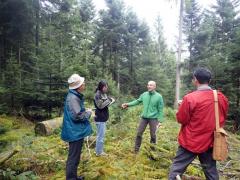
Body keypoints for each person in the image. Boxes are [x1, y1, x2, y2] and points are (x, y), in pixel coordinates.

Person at [168, 67, 229, 180]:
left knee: (176, 170)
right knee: (211, 173)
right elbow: (222, 117)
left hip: (190, 142)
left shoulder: (190, 98)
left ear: (195, 80)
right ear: (209, 81)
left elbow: (181, 119)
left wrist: (182, 106)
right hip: (211, 141)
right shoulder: (221, 97)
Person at [61, 74, 93, 180]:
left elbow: (76, 111)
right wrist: (88, 113)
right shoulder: (73, 98)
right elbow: (77, 116)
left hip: (75, 131)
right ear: (78, 86)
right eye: (82, 83)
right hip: (74, 132)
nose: (84, 84)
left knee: (75, 156)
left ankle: (73, 177)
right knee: (73, 158)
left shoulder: (74, 96)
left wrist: (84, 110)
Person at [121, 81, 164, 153]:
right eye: (148, 85)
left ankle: (152, 151)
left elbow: (160, 109)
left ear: (154, 87)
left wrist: (160, 121)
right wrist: (128, 104)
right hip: (144, 117)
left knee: (153, 135)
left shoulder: (159, 97)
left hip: (153, 118)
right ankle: (136, 150)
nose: (149, 86)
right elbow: (137, 101)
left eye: (151, 85)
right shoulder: (144, 94)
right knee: (139, 133)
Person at [94, 80, 115, 156]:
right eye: (105, 86)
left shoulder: (103, 94)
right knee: (101, 136)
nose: (107, 88)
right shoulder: (97, 95)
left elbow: (105, 104)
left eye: (107, 86)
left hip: (103, 117)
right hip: (100, 118)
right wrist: (109, 100)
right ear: (102, 87)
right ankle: (99, 152)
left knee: (100, 135)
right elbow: (100, 106)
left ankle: (97, 150)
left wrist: (110, 101)